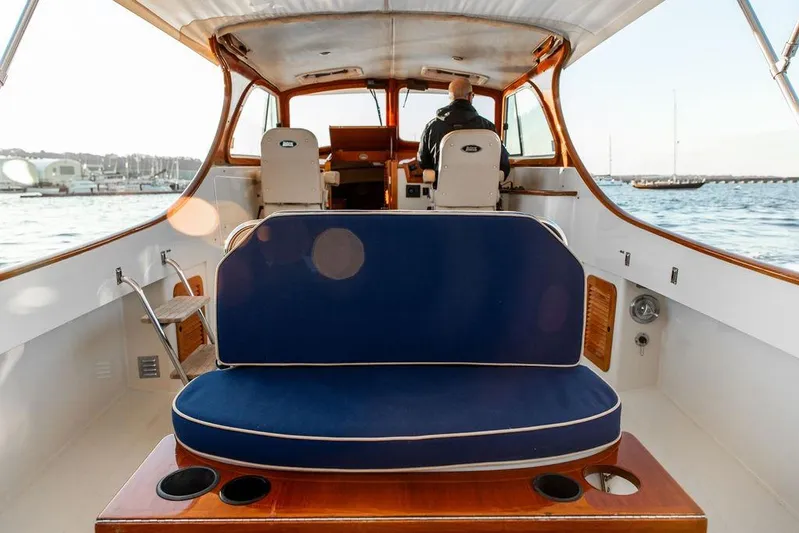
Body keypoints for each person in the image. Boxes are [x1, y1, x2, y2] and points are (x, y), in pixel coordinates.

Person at [417, 78, 511, 186]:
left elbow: (424, 163)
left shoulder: (432, 127)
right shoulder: (488, 127)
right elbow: (504, 165)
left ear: (450, 97)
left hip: (445, 196)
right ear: (471, 96)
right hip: (483, 197)